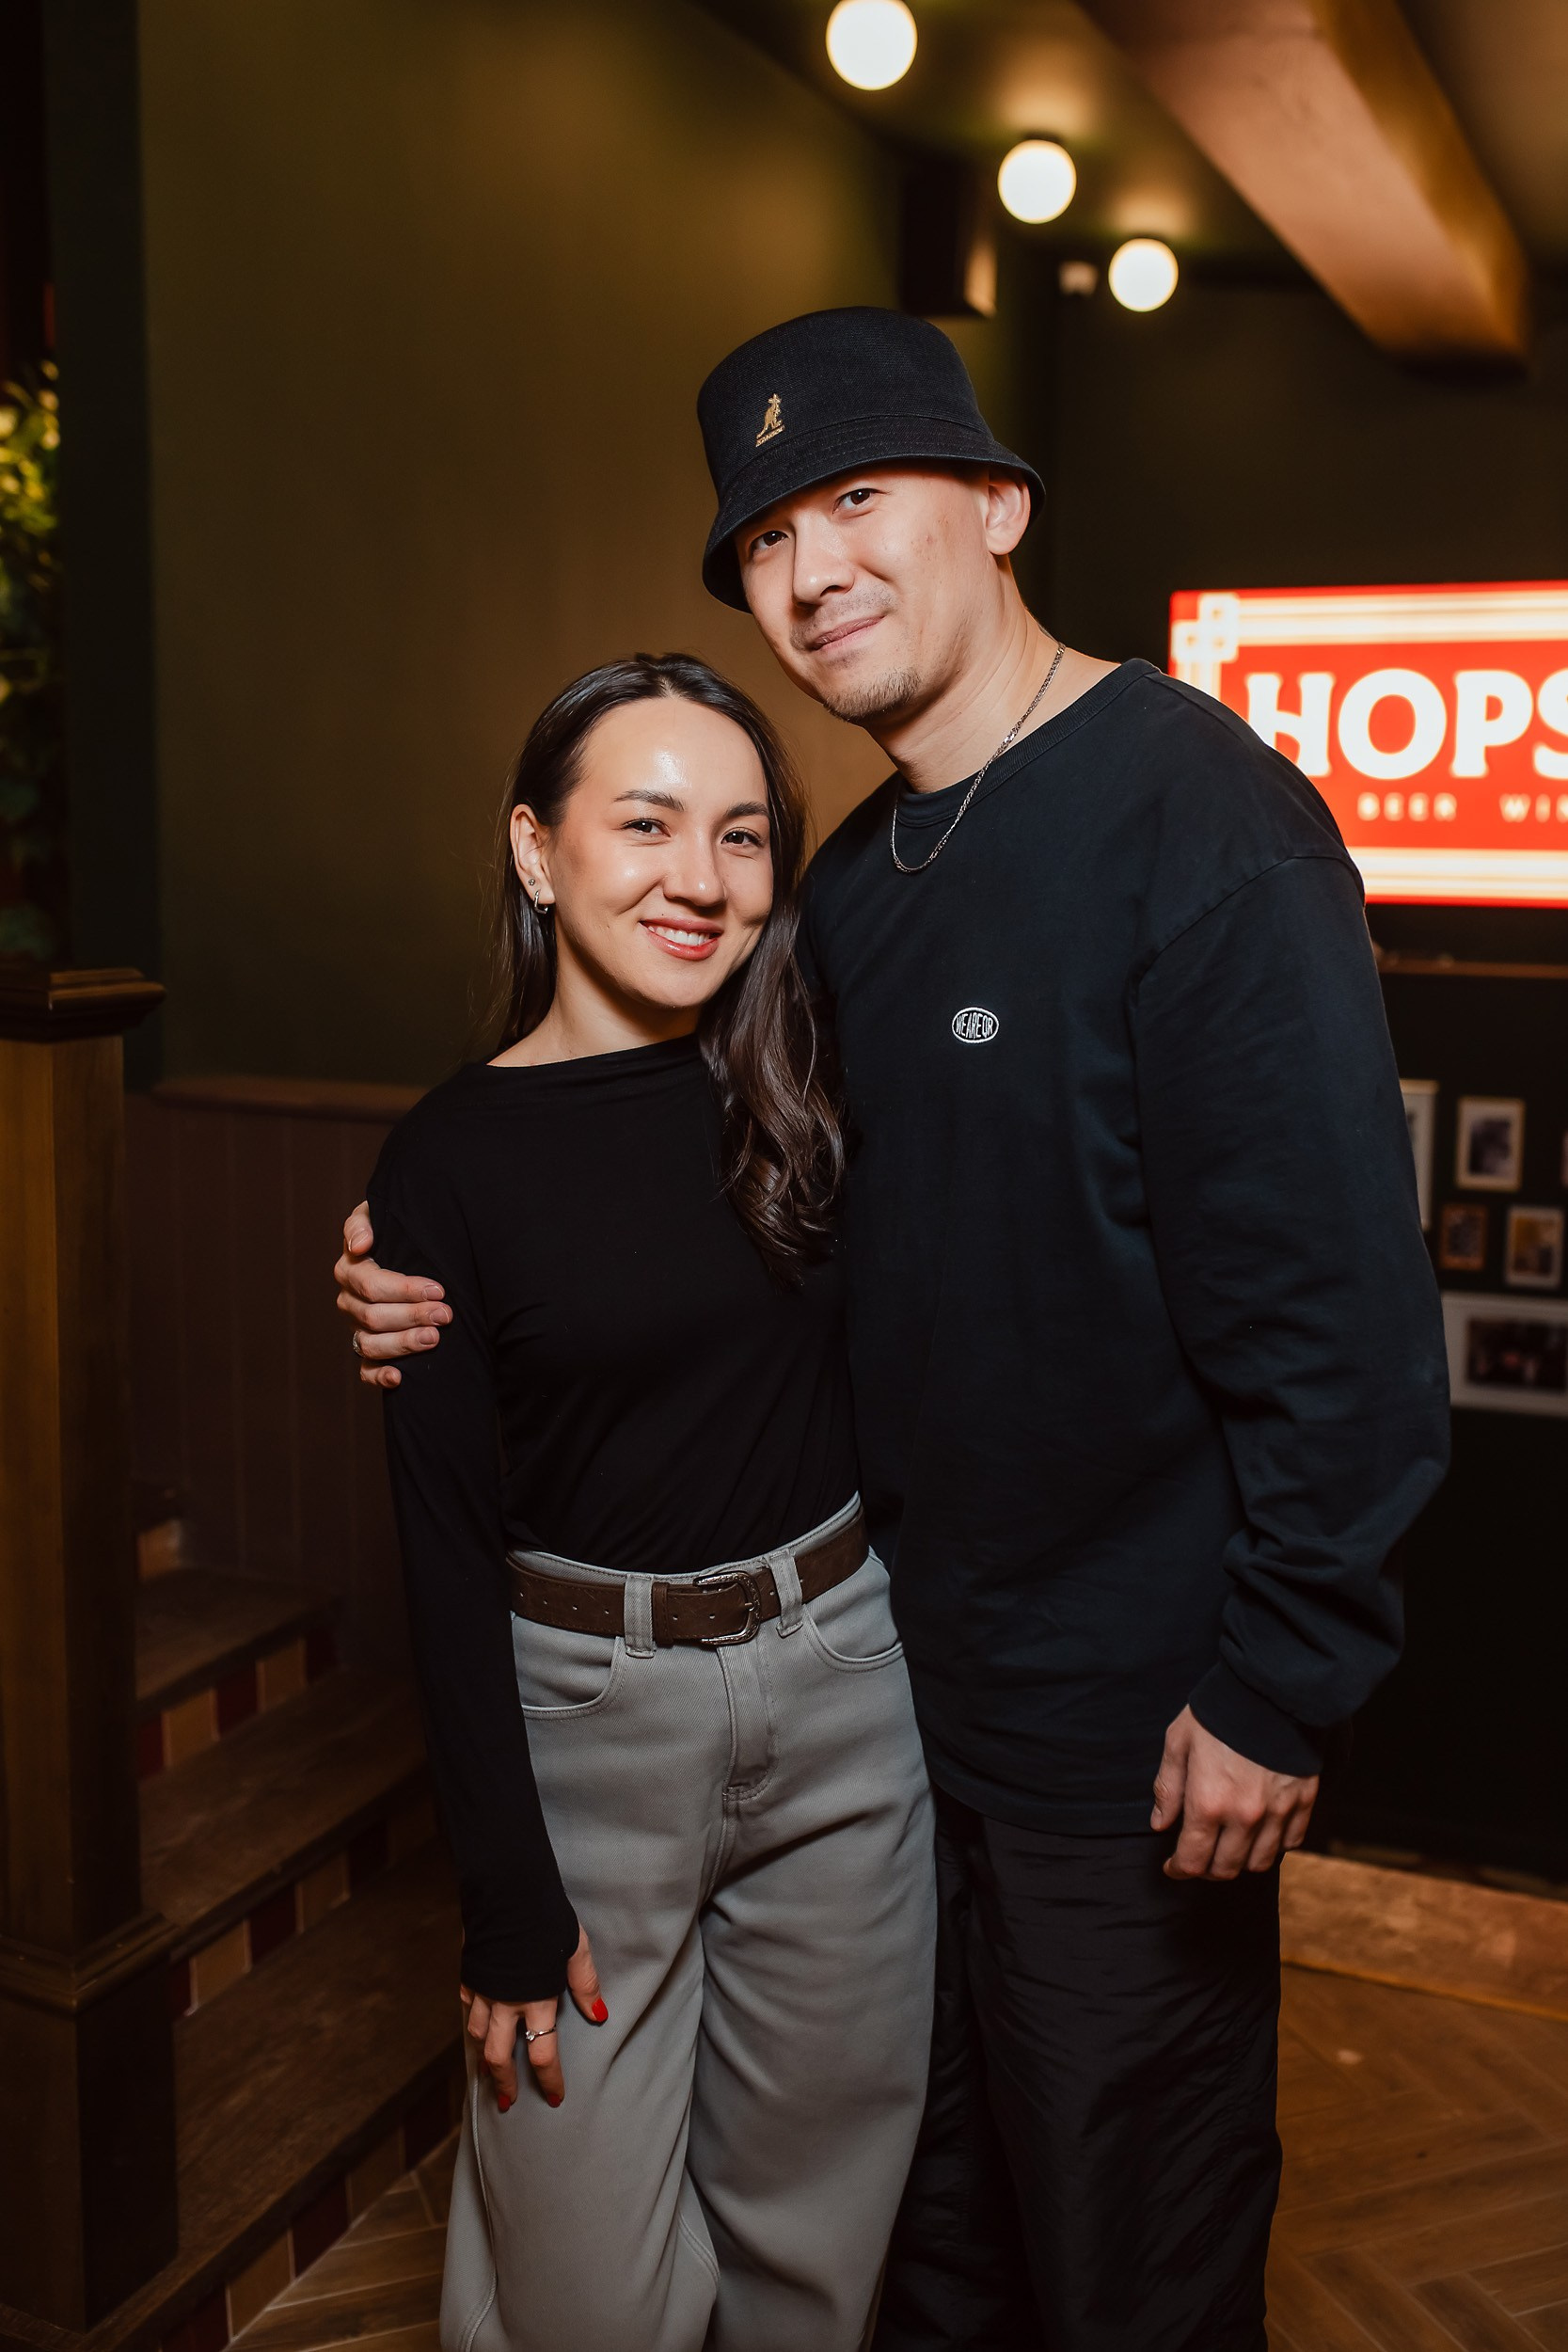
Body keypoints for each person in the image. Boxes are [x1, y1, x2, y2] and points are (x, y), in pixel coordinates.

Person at [337, 310, 1450, 2350]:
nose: (811, 567)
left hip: (1134, 1745)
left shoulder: (1201, 816)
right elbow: (669, 1176)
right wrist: (418, 1257)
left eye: (856, 496)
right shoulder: (837, 893)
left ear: (1001, 507)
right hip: (887, 1719)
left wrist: (1288, 1678)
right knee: (922, 2264)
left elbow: (1349, 1311)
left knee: (1131, 2265)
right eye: (765, 536)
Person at [364, 650, 934, 2352]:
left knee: (813, 2253)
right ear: (536, 849)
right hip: (586, 1726)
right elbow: (441, 1547)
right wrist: (503, 1898)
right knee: (584, 2297)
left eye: (743, 835)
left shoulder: (812, 1084)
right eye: (648, 823)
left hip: (844, 1695)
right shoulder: (445, 1161)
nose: (701, 878)